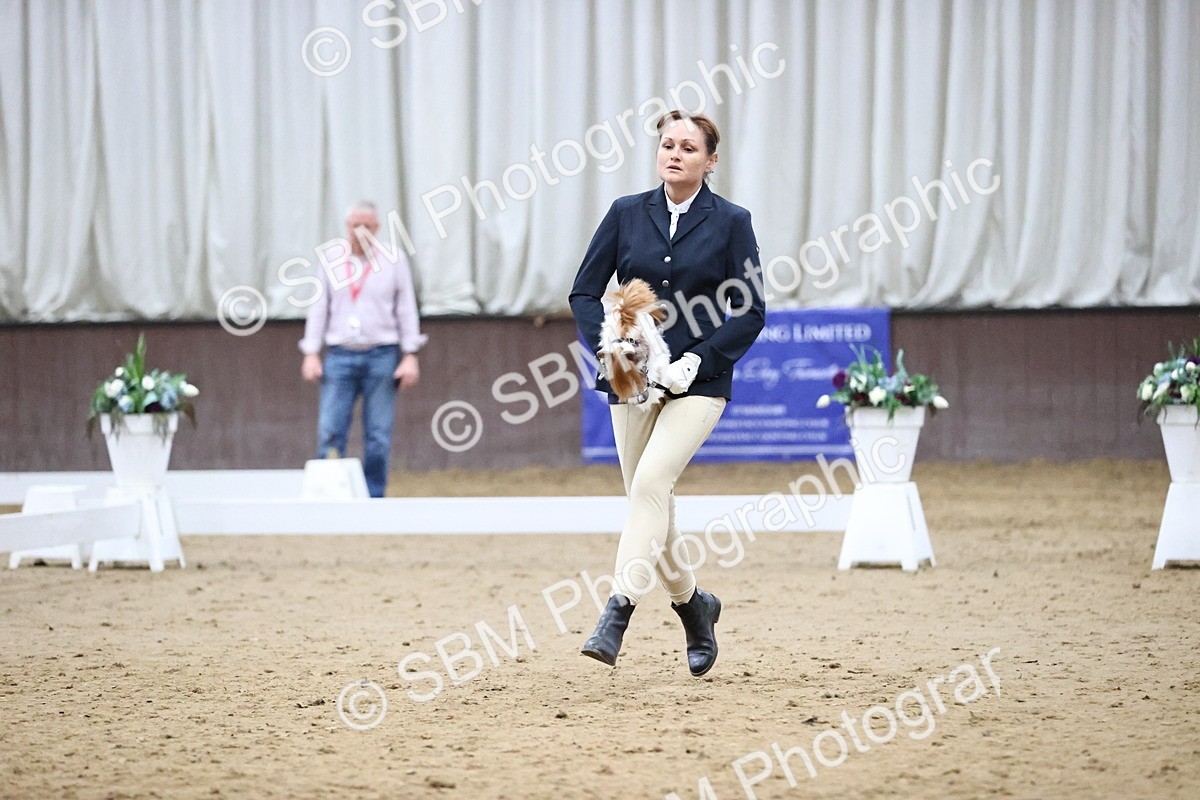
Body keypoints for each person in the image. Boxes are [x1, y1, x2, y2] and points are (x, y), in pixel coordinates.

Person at [569, 111, 766, 676]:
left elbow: (750, 310)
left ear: (711, 159)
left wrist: (698, 359)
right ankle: (694, 606)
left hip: (697, 381)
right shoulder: (626, 213)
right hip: (630, 377)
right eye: (667, 145)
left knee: (652, 484)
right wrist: (611, 343)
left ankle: (618, 611)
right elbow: (584, 292)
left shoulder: (732, 221)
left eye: (687, 147)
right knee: (651, 506)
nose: (674, 154)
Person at [300, 202, 427, 498]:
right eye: (355, 225)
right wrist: (310, 352)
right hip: (340, 356)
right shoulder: (331, 259)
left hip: (381, 355)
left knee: (378, 436)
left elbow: (406, 308)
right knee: (330, 430)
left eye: (367, 226)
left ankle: (373, 498)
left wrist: (410, 355)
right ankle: (329, 497)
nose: (361, 232)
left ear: (378, 228)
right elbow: (318, 307)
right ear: (346, 227)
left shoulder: (393, 259)